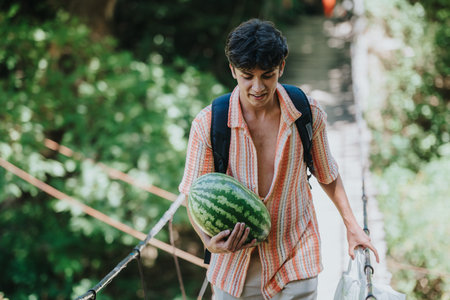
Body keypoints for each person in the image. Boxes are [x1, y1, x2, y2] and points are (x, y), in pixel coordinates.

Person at [179, 18, 379, 300]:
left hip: (296, 256)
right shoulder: (209, 124)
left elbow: (327, 173)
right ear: (232, 70)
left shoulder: (307, 113)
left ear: (281, 67)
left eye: (268, 75)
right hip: (235, 269)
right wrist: (209, 243)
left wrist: (353, 227)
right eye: (247, 75)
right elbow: (192, 193)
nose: (258, 87)